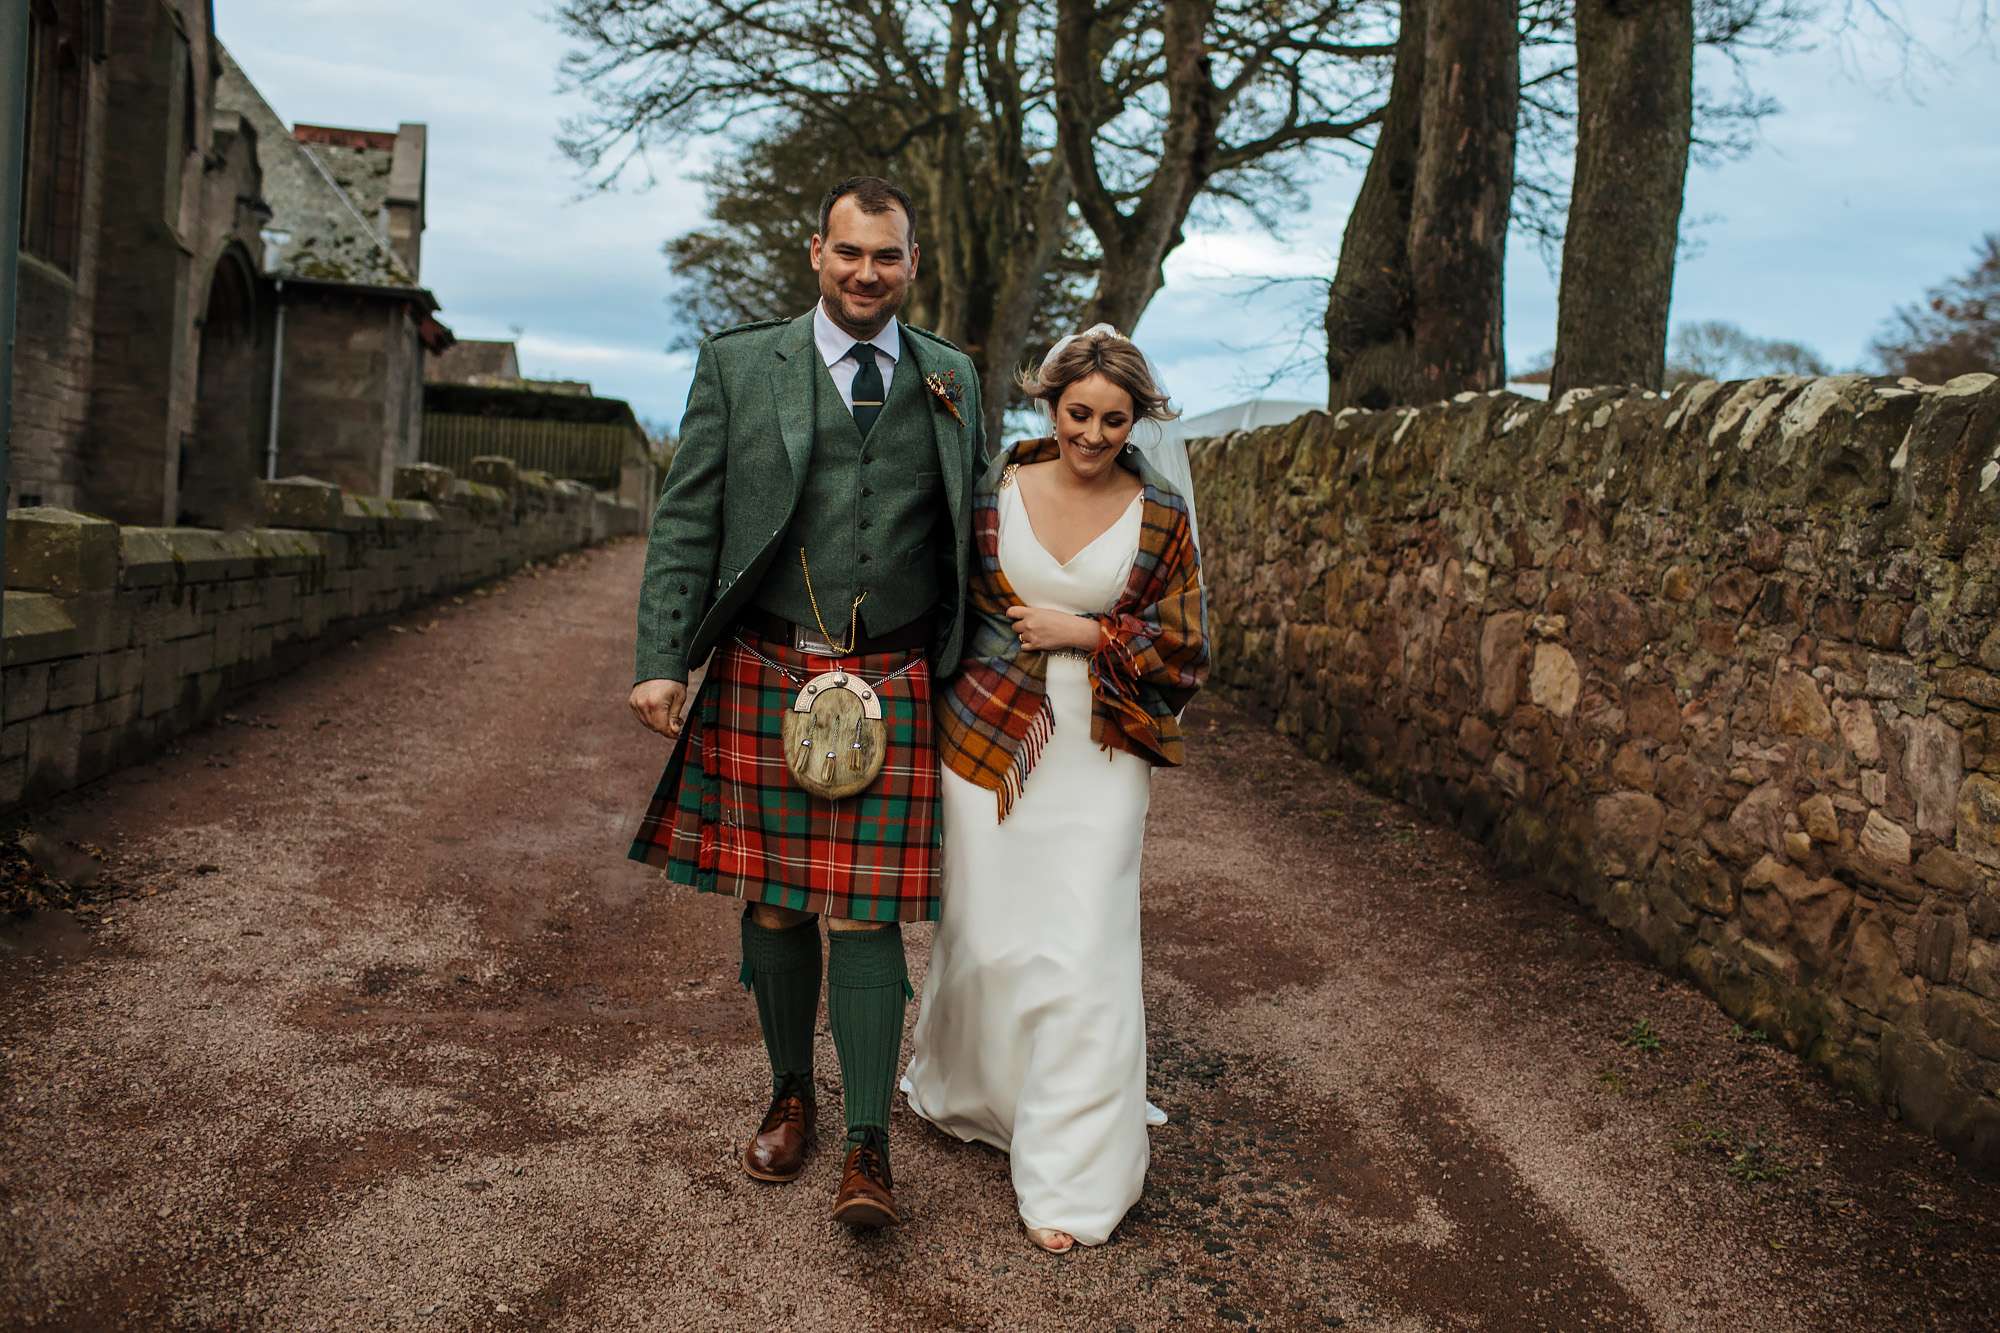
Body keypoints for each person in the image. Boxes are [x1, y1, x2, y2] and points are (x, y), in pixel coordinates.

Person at [626, 176, 985, 1230]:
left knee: (868, 913)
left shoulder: (952, 376)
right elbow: (686, 517)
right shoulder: (742, 364)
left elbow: (975, 536)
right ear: (814, 253)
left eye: (887, 256)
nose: (866, 273)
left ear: (911, 262)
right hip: (770, 664)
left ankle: (867, 1140)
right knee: (779, 899)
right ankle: (791, 1093)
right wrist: (661, 656)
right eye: (848, 253)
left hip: (896, 674)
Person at [902, 325, 1208, 1253]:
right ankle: (981, 1091)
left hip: (1102, 749)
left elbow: (1186, 648)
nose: (1094, 434)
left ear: (1138, 420)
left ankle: (1072, 1174)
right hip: (987, 737)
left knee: (1083, 950)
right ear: (1051, 404)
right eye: (1079, 413)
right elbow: (940, 592)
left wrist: (1087, 632)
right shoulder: (994, 489)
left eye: (1115, 419)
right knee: (990, 940)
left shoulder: (1160, 516)